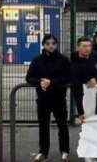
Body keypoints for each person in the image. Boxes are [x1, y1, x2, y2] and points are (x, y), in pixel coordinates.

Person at [25, 34, 71, 162]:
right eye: (48, 43)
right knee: (43, 126)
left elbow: (67, 77)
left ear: (56, 45)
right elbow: (29, 78)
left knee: (62, 126)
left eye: (53, 43)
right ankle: (43, 152)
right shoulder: (37, 60)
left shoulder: (63, 60)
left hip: (59, 99)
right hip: (43, 99)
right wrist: (40, 81)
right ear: (43, 45)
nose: (51, 46)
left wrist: (51, 82)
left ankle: (65, 151)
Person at [71, 37, 97, 124]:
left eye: (89, 46)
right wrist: (80, 111)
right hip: (84, 96)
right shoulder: (74, 63)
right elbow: (76, 87)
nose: (87, 48)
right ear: (78, 47)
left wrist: (96, 79)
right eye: (84, 46)